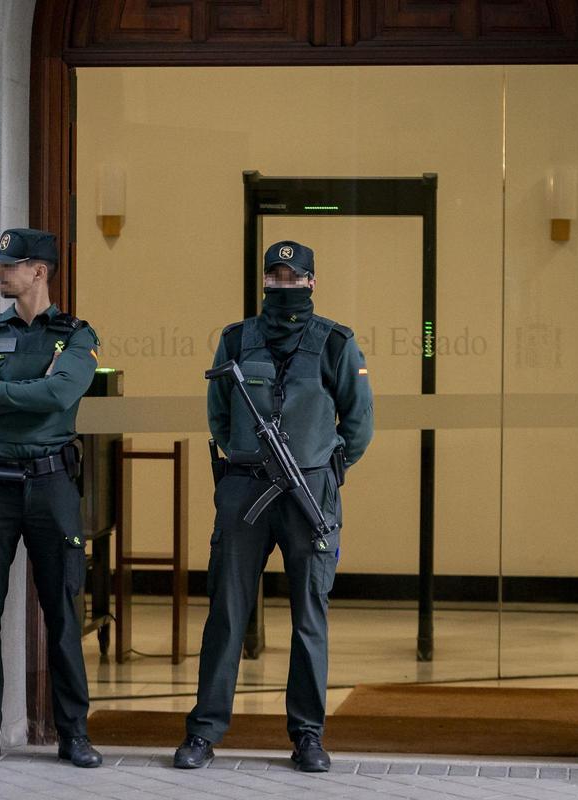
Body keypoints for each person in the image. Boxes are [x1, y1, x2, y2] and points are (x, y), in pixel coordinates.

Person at [174, 240, 373, 772]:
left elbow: (358, 424)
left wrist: (327, 472)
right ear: (264, 281)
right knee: (227, 612)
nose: (282, 286)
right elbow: (218, 413)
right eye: (274, 277)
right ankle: (204, 731)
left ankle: (308, 735)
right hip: (246, 489)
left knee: (310, 616)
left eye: (293, 278)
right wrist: (242, 460)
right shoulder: (237, 339)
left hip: (308, 493)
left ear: (311, 282)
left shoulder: (334, 343)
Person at [0, 228, 103, 768]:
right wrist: (13, 397)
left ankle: (73, 734)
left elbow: (61, 394)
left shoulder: (76, 335)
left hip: (51, 484)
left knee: (63, 610)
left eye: (10, 265)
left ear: (40, 271)